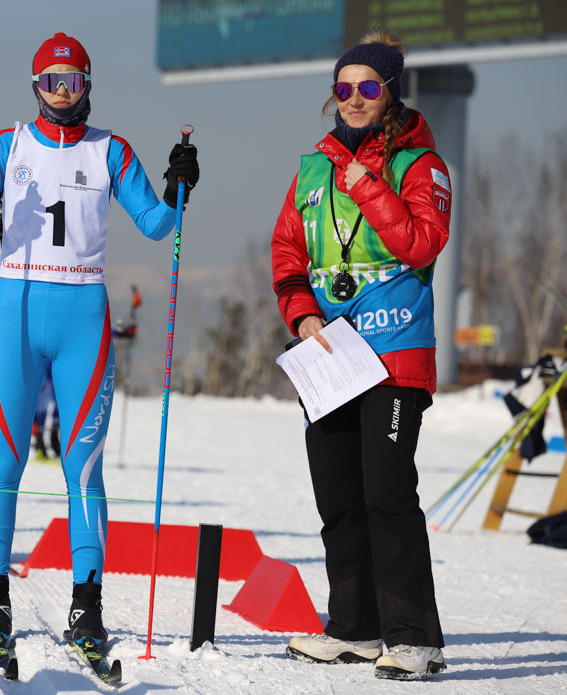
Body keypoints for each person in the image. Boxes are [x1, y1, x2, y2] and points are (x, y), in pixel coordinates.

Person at [0, 32, 199, 649]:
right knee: (4, 463)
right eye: (49, 83)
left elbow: (157, 225)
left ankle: (87, 607)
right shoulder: (7, 145)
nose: (60, 95)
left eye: (71, 82)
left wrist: (180, 187)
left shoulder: (112, 151)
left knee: (83, 467)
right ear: (34, 89)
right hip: (15, 313)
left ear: (87, 86)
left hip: (83, 316)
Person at [270, 30, 449, 680]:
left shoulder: (419, 165)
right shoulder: (312, 168)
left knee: (387, 493)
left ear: (391, 92)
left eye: (366, 88)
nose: (352, 99)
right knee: (339, 498)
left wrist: (369, 184)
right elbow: (287, 249)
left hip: (394, 351)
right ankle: (353, 626)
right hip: (329, 354)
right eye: (342, 89)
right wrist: (303, 312)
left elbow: (421, 243)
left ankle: (414, 638)